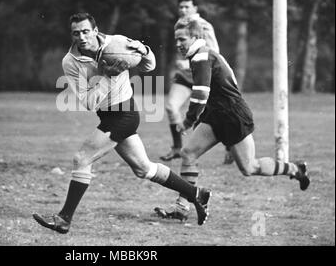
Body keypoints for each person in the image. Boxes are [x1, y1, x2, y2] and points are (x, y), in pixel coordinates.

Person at [32, 13, 212, 234]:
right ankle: (197, 194)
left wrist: (145, 51)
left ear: (95, 31)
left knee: (82, 158)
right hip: (107, 116)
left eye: (85, 31)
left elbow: (149, 66)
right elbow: (89, 102)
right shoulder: (70, 62)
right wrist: (109, 76)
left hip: (124, 114)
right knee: (144, 168)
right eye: (76, 33)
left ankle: (63, 219)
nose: (81, 37)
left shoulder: (117, 43)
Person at [155, 20, 310, 222]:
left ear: (196, 37)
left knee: (249, 168)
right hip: (217, 115)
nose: (178, 44)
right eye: (176, 39)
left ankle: (295, 169)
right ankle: (182, 208)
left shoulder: (202, 56)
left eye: (182, 39)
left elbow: (201, 94)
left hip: (232, 116)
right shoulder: (199, 55)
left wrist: (188, 121)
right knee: (188, 153)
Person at [158, 0, 233, 221]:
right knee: (171, 107)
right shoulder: (179, 26)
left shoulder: (203, 26)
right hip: (185, 75)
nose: (182, 9)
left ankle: (231, 146)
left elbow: (214, 52)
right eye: (179, 6)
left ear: (195, 8)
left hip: (204, 78)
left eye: (186, 6)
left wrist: (190, 120)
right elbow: (181, 49)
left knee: (249, 165)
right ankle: (176, 147)